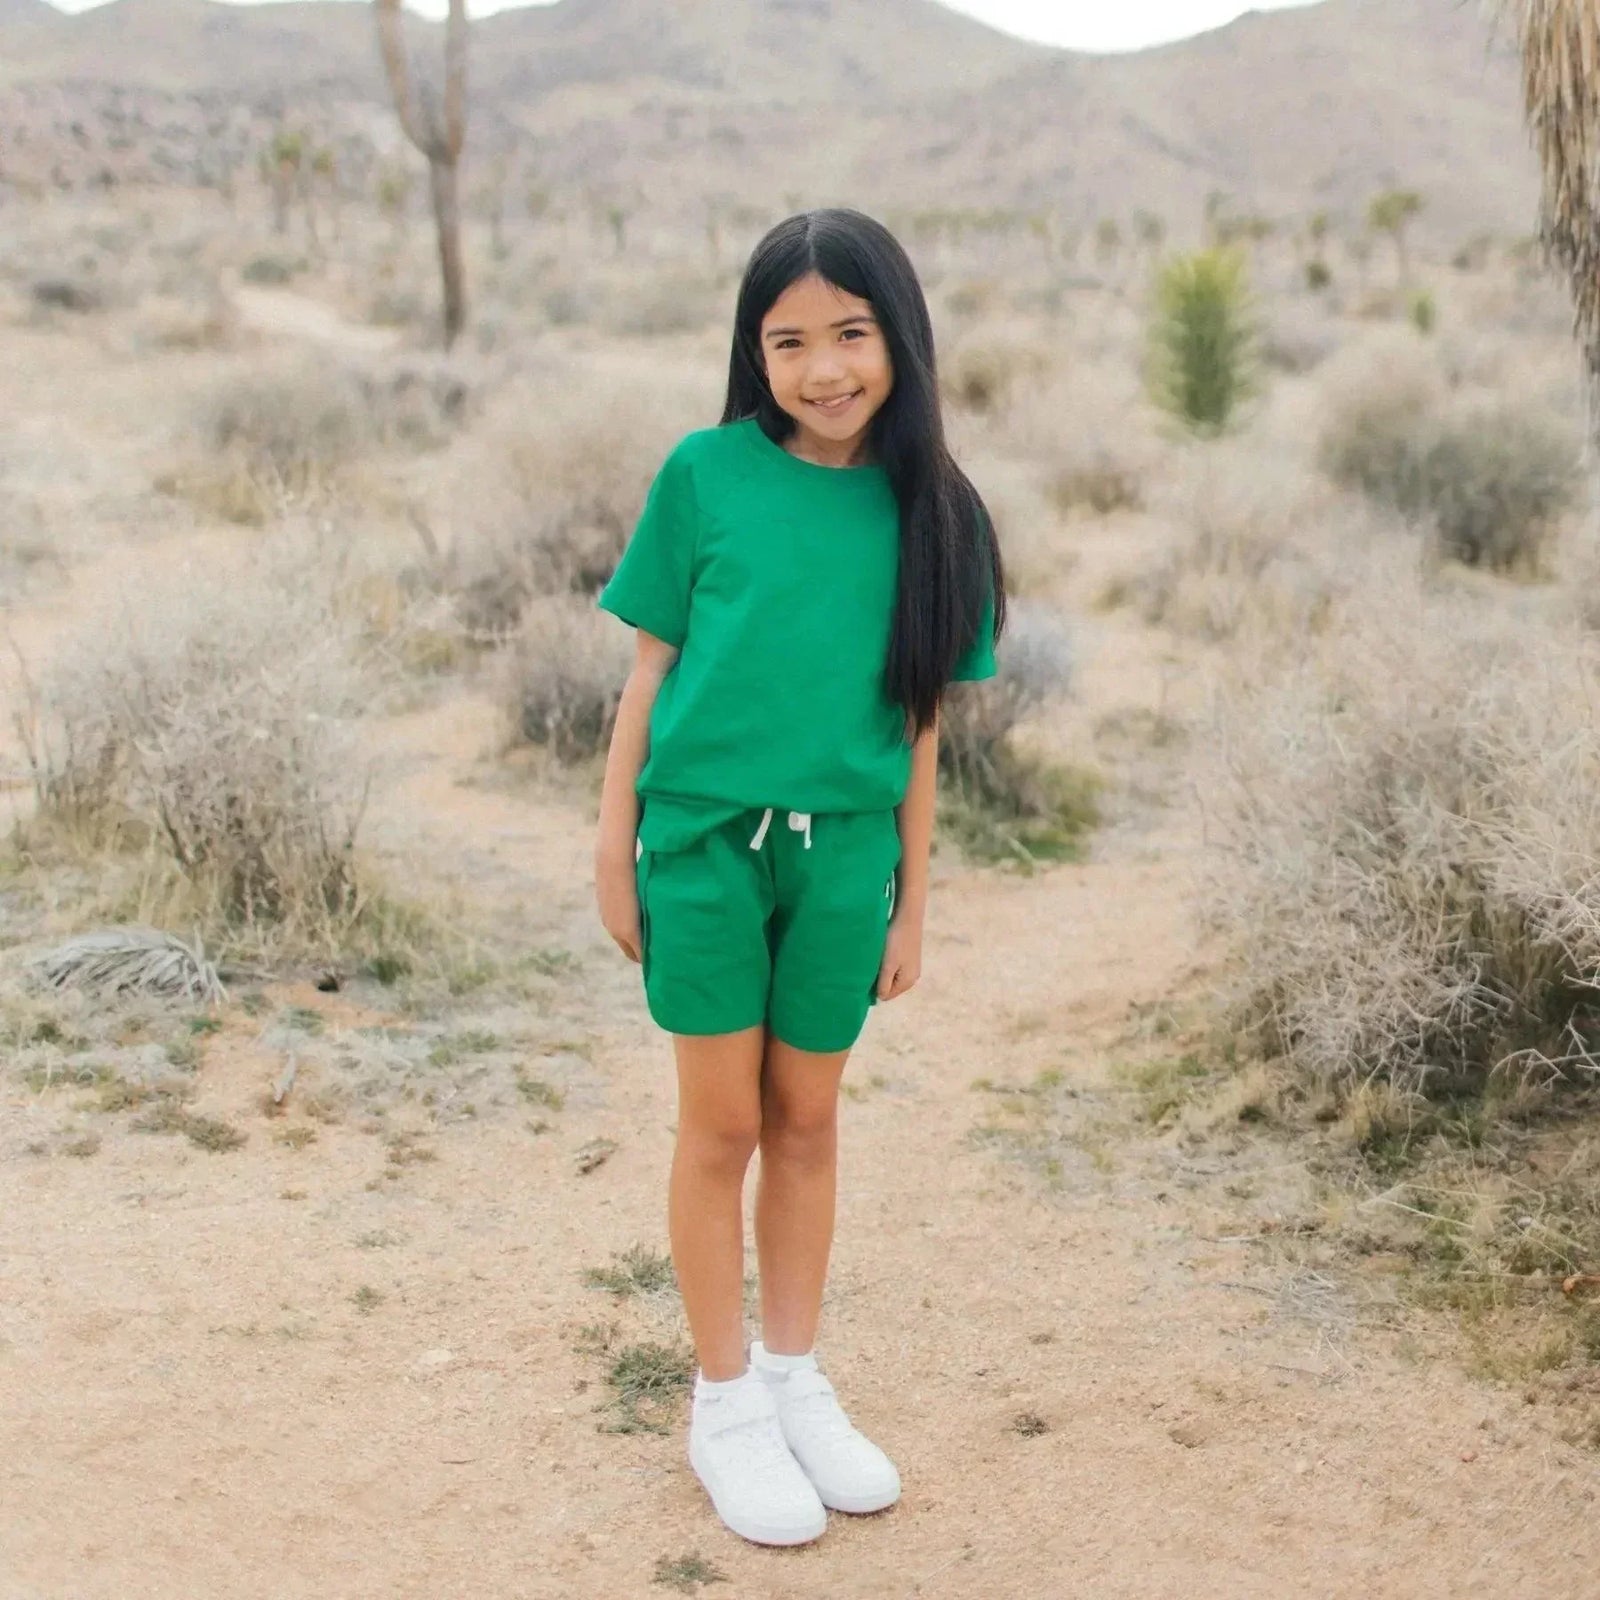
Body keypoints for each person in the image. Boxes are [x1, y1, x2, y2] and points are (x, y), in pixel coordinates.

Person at [592, 207, 1006, 1549]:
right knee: (720, 1126)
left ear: (901, 340)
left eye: (851, 334)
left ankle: (790, 1380)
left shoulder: (940, 516)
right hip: (703, 845)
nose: (824, 369)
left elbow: (923, 727)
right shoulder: (704, 475)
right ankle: (723, 1406)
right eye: (789, 342)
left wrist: (914, 905)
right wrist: (613, 851)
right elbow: (649, 672)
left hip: (847, 859)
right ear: (752, 352)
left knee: (809, 1120)